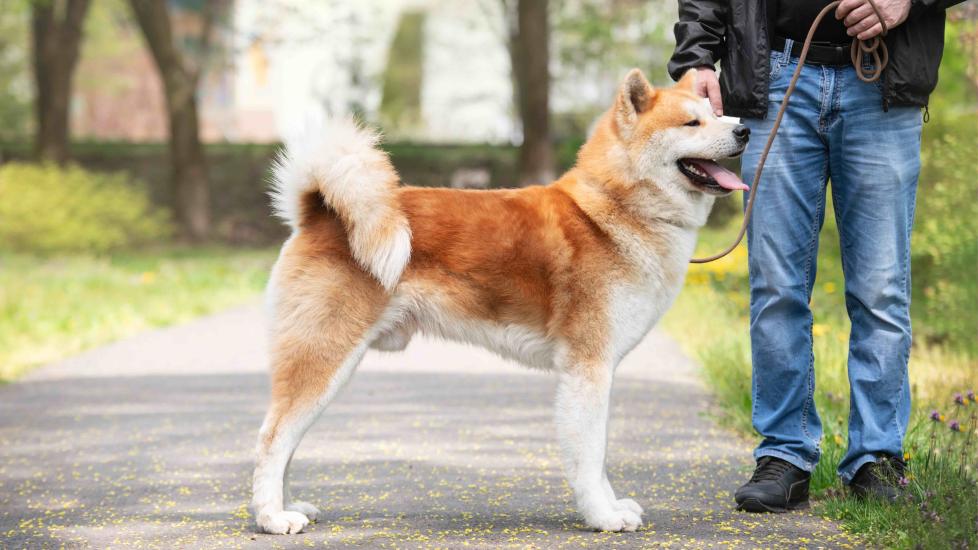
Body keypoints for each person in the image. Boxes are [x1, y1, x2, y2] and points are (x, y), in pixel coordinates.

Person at [668, 0, 963, 513]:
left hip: (883, 80)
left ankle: (878, 457)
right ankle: (785, 455)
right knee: (777, 286)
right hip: (776, 76)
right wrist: (697, 57)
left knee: (880, 290)